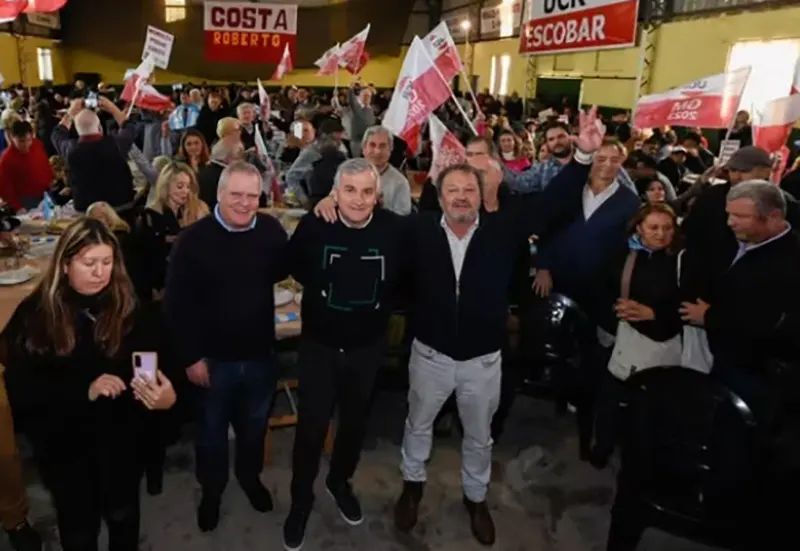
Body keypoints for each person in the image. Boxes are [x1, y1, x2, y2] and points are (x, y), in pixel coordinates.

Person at [2, 218, 176, 551]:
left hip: (122, 448)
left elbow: (159, 366)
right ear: (65, 264)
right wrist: (84, 390)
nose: (100, 272)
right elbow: (23, 392)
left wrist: (167, 397)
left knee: (124, 521)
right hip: (67, 451)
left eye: (107, 262)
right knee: (79, 533)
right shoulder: (36, 314)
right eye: (89, 263)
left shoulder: (130, 308)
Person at [282, 158, 408, 550]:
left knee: (354, 425)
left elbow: (403, 284)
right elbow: (297, 269)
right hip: (319, 346)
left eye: (366, 191)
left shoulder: (394, 231)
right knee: (310, 429)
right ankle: (301, 500)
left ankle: (339, 481)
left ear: (378, 196)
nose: (358, 198)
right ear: (335, 193)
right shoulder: (315, 225)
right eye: (348, 190)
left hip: (367, 350)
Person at [164, 161, 288, 532]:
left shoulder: (270, 230)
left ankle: (250, 480)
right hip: (211, 363)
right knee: (211, 434)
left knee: (253, 429)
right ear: (219, 194)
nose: (245, 203)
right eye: (236, 194)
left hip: (260, 356)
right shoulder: (192, 240)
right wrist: (190, 357)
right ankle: (212, 492)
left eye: (253, 196)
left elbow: (286, 269)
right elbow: (175, 305)